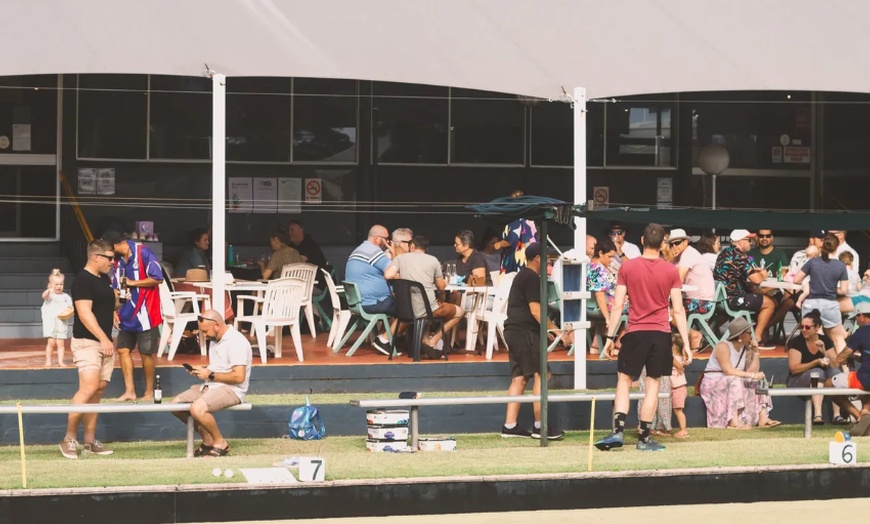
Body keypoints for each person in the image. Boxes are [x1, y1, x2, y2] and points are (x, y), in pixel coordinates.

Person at [596, 223, 692, 452]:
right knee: (653, 386)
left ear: (641, 240)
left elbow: (618, 305)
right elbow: (678, 310)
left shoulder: (627, 268)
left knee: (624, 381)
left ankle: (618, 432)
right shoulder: (670, 270)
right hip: (661, 334)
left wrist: (610, 337)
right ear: (662, 244)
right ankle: (644, 439)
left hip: (635, 332)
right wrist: (686, 344)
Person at [500, 242, 572, 440]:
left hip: (514, 331)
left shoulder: (523, 276)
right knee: (543, 374)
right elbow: (536, 311)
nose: (549, 264)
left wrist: (546, 330)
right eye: (548, 260)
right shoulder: (532, 278)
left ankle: (510, 426)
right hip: (524, 332)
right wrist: (558, 333)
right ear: (538, 259)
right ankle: (541, 426)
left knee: (520, 377)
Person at [60, 239, 117, 459]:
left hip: (104, 341)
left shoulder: (104, 279)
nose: (113, 262)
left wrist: (117, 305)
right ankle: (68, 439)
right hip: (87, 342)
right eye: (109, 258)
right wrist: (104, 339)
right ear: (96, 257)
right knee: (88, 388)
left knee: (98, 391)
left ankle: (89, 441)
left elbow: (103, 304)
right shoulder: (82, 281)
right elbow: (84, 313)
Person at [171, 309, 252, 457]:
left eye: (206, 331)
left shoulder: (236, 342)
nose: (204, 335)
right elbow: (217, 368)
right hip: (211, 385)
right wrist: (203, 370)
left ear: (217, 325)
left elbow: (239, 377)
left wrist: (211, 375)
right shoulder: (215, 339)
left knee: (197, 408)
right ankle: (207, 440)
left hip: (231, 389)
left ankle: (220, 442)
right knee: (175, 405)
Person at [104, 230, 164, 402]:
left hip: (146, 314)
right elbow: (115, 286)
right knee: (123, 349)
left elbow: (157, 278)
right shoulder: (115, 261)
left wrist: (132, 282)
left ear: (116, 244)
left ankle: (148, 393)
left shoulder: (144, 252)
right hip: (125, 313)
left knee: (146, 353)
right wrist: (114, 310)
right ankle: (130, 391)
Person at [385, 235, 464, 351]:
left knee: (425, 310)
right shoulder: (433, 260)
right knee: (459, 312)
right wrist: (445, 282)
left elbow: (388, 275)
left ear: (412, 245)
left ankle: (425, 339)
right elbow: (441, 287)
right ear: (426, 249)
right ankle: (433, 341)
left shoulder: (400, 259)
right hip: (428, 309)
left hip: (406, 308)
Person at [698, 317, 780, 429]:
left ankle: (763, 418)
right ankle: (734, 421)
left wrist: (756, 353)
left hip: (732, 379)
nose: (752, 336)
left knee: (759, 380)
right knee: (734, 380)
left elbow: (753, 372)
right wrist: (751, 375)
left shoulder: (745, 348)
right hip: (714, 382)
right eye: (749, 333)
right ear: (740, 335)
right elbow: (728, 370)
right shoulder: (723, 346)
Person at [714, 229, 775, 348]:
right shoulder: (741, 256)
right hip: (734, 299)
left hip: (720, 300)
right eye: (748, 240)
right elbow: (757, 280)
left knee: (758, 296)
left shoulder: (724, 253)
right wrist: (763, 274)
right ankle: (757, 338)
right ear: (740, 242)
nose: (751, 243)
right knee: (770, 303)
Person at [793, 233, 849, 354]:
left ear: (822, 245)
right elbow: (844, 290)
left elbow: (796, 279)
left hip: (811, 303)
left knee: (808, 337)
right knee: (838, 339)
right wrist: (831, 289)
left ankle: (810, 364)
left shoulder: (812, 262)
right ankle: (845, 370)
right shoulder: (841, 266)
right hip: (830, 304)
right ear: (837, 247)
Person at [346, 225, 398, 354]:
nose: (387, 243)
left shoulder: (359, 250)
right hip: (372, 302)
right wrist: (394, 253)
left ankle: (384, 338)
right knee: (410, 308)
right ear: (376, 239)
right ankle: (384, 339)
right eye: (386, 239)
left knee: (399, 304)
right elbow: (394, 269)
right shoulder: (373, 251)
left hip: (359, 302)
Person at [786, 310, 838, 425]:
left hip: (822, 380)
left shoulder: (825, 341)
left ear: (817, 327)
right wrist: (815, 362)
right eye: (802, 327)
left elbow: (836, 365)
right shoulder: (796, 343)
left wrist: (824, 352)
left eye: (807, 327)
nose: (804, 330)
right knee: (817, 372)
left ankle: (837, 415)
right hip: (797, 380)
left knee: (835, 373)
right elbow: (794, 369)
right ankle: (818, 415)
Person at [668, 228, 716, 352]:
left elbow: (677, 279)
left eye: (677, 243)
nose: (674, 246)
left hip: (702, 301)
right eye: (671, 244)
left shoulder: (688, 254)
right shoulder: (678, 257)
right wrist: (669, 259)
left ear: (685, 242)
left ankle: (694, 334)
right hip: (691, 298)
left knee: (668, 312)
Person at [827, 302, 870, 434]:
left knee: (829, 385)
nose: (856, 321)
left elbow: (841, 358)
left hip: (865, 378)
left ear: (862, 316)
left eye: (856, 318)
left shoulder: (861, 332)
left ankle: (859, 416)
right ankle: (866, 411)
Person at [492, 190, 538, 274]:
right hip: (532, 260)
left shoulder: (514, 219)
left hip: (518, 261)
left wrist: (499, 244)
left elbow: (512, 239)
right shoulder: (530, 219)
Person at [41, 268, 73, 367]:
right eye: (56, 284)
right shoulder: (50, 295)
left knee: (61, 343)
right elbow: (44, 296)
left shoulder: (65, 297)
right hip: (52, 323)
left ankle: (60, 361)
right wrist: (48, 290)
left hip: (61, 323)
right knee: (51, 342)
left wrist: (69, 309)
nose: (59, 286)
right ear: (51, 284)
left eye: (61, 284)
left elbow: (70, 307)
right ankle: (48, 361)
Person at [670, 334, 689, 438]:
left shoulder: (676, 359)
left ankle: (683, 430)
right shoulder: (680, 358)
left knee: (678, 410)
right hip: (675, 387)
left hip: (678, 388)